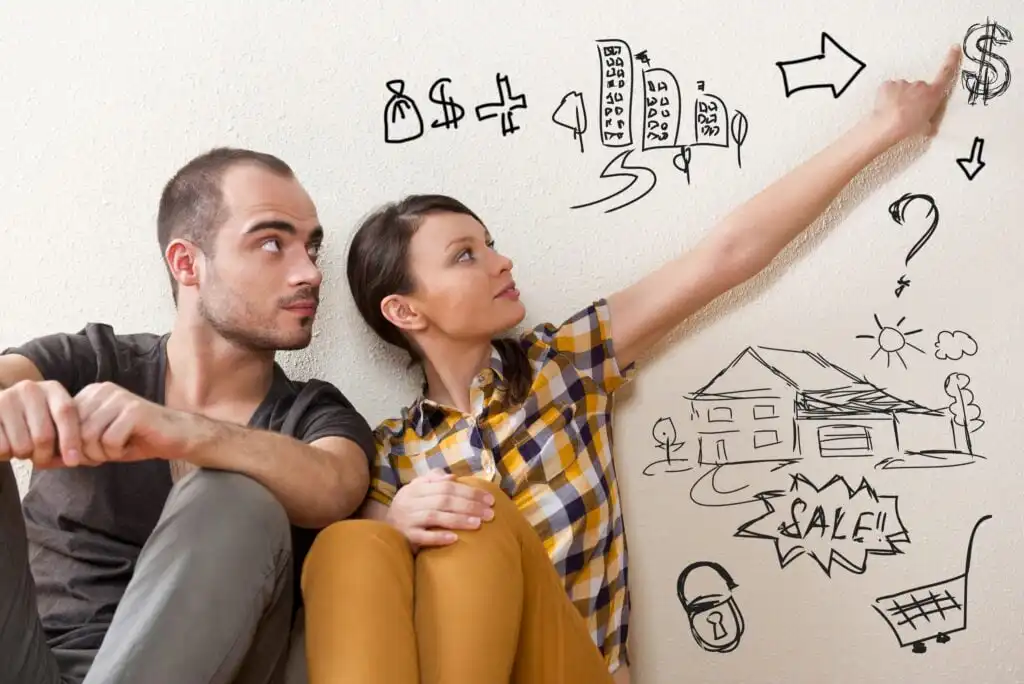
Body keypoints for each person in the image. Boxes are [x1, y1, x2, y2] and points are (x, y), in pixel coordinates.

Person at [300, 45, 963, 684]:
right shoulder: (392, 454)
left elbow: (724, 255)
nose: (502, 262)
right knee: (345, 548)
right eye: (466, 255)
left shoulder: (565, 366)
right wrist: (389, 519)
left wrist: (883, 130)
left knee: (475, 520)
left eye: (491, 244)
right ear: (406, 312)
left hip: (575, 668)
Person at [0, 147, 375, 684]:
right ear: (187, 263)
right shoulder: (92, 360)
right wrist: (14, 406)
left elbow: (336, 483)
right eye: (273, 243)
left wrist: (183, 432)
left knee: (234, 493)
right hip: (30, 660)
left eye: (310, 248)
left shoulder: (311, 412)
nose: (310, 273)